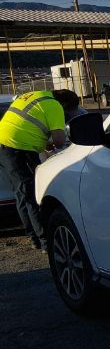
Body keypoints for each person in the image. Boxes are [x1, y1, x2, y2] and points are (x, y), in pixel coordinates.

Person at [0, 89, 79, 250]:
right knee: (31, 191)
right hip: (18, 147)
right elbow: (59, 139)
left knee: (21, 192)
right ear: (65, 105)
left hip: (6, 143)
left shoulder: (35, 95)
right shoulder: (54, 105)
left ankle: (34, 237)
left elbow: (28, 124)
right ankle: (44, 241)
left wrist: (44, 143)